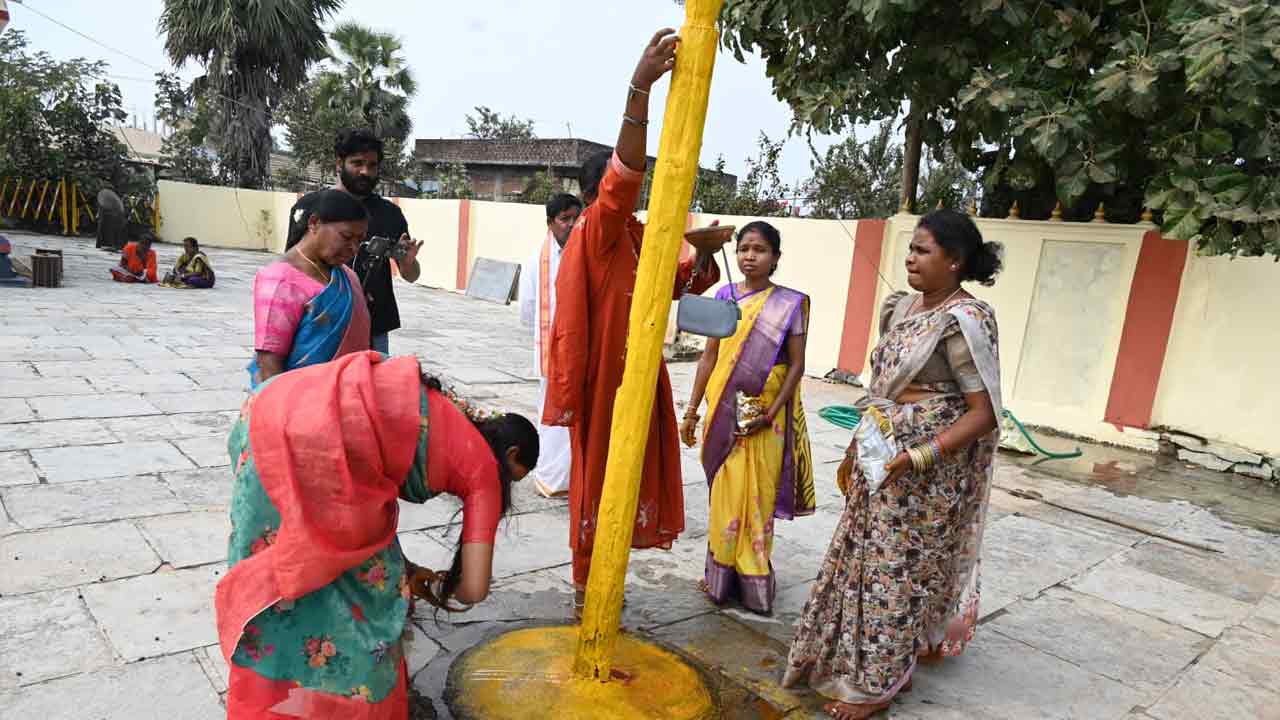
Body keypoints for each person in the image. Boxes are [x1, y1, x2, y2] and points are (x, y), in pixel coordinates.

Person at [216, 351, 538, 719]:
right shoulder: (483, 467)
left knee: (275, 567)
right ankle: (345, 705)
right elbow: (474, 589)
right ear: (510, 453)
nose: (508, 487)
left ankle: (269, 699)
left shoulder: (446, 407)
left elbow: (373, 501)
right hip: (315, 440)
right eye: (515, 476)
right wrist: (437, 591)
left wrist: (408, 567)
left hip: (264, 413)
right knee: (371, 601)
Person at [782, 209, 1004, 720]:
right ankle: (862, 657)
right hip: (884, 454)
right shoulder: (903, 308)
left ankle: (878, 682)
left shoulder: (965, 321)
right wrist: (870, 445)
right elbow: (883, 387)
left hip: (928, 473)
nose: (911, 258)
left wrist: (916, 457)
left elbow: (984, 413)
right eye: (910, 248)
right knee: (863, 561)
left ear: (955, 261)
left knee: (898, 570)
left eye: (923, 250)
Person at [543, 28, 725, 616]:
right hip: (602, 381)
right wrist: (639, 88)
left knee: (629, 482)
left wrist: (704, 246)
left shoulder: (641, 238)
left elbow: (683, 286)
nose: (628, 195)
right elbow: (623, 178)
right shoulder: (599, 228)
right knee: (596, 483)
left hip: (640, 379)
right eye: (619, 189)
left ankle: (607, 585)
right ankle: (583, 591)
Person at [681, 221, 816, 615]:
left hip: (765, 416)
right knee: (725, 491)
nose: (750, 256)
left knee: (756, 495)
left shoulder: (790, 303)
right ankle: (720, 577)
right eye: (744, 249)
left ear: (775, 257)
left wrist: (770, 413)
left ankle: (754, 578)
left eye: (760, 250)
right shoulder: (724, 295)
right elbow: (710, 356)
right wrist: (691, 410)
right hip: (723, 410)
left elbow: (796, 366)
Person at [286, 129, 423, 355]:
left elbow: (411, 275)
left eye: (372, 165)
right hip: (318, 322)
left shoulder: (390, 214)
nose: (365, 172)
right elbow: (291, 269)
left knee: (367, 388)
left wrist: (408, 263)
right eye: (357, 163)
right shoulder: (310, 207)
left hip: (373, 326)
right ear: (339, 163)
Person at [250, 189, 370, 387]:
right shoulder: (280, 280)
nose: (354, 248)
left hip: (348, 395)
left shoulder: (348, 276)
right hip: (300, 401)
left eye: (359, 240)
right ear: (314, 223)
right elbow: (269, 364)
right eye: (346, 237)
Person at [519, 192, 583, 498]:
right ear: (550, 223)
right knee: (553, 408)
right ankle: (551, 477)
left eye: (575, 219)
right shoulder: (537, 260)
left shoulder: (586, 253)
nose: (571, 225)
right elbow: (529, 307)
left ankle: (573, 476)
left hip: (580, 346)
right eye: (564, 219)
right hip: (550, 345)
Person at [95, 187, 126, 251]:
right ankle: (108, 244)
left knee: (105, 229)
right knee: (106, 230)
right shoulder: (112, 200)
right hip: (109, 217)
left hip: (109, 217)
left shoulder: (106, 199)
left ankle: (104, 244)